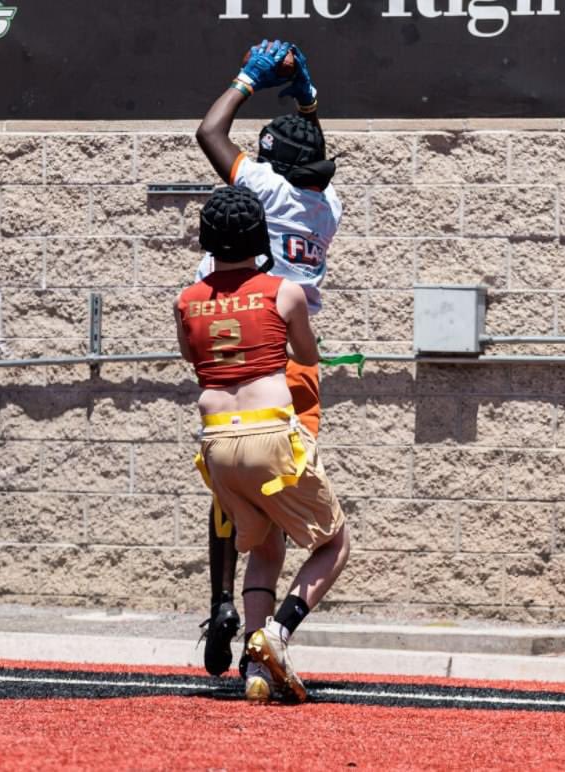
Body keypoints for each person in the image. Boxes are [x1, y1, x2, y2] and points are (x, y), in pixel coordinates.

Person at [194, 39, 343, 677]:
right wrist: (305, 94)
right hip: (289, 363)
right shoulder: (325, 207)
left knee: (234, 492)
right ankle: (268, 641)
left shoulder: (260, 187)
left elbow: (210, 131)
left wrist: (249, 78)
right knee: (279, 501)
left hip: (230, 348)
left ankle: (224, 601)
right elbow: (304, 152)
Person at [175, 186, 350, 702]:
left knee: (266, 547)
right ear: (259, 236)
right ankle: (277, 632)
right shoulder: (284, 291)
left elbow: (195, 359)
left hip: (217, 446)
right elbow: (306, 353)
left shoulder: (185, 301)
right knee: (334, 542)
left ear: (207, 240)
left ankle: (255, 666)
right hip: (272, 433)